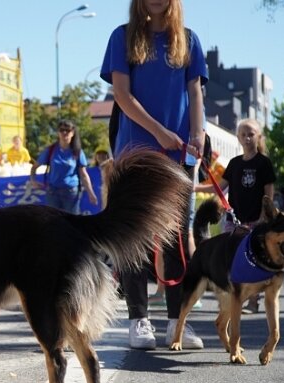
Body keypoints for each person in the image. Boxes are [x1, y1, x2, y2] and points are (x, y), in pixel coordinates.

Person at [100, 0, 207, 350]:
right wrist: (158, 131)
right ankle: (138, 319)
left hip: (178, 151)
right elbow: (122, 95)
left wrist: (199, 133)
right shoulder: (122, 37)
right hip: (136, 148)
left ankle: (178, 322)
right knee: (137, 237)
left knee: (177, 236)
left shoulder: (188, 40)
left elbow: (195, 93)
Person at [196, 119, 276, 314]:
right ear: (238, 138)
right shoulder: (234, 163)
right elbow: (219, 187)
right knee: (230, 259)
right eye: (243, 135)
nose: (247, 138)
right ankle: (233, 297)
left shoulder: (264, 163)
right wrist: (193, 187)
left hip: (256, 221)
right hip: (234, 221)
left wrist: (265, 217)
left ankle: (253, 300)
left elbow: (269, 193)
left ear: (258, 137)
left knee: (255, 259)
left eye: (251, 134)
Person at [29, 120, 98, 214]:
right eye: (61, 130)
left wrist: (91, 193)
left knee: (72, 223)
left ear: (73, 133)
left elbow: (83, 174)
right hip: (53, 192)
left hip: (71, 193)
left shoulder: (77, 152)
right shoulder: (51, 150)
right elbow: (34, 167)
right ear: (58, 132)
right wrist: (33, 180)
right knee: (53, 223)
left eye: (67, 130)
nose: (64, 133)